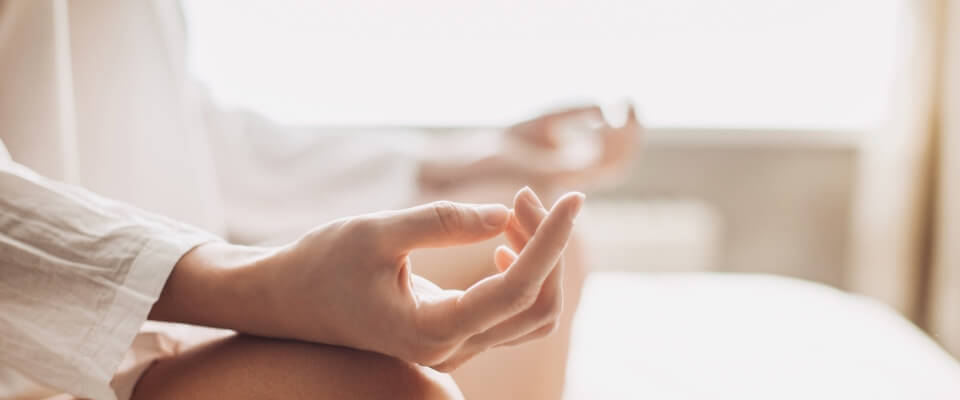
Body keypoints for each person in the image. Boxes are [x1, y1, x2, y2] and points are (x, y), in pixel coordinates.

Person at [0, 1, 640, 399]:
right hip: (31, 345)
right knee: (396, 396)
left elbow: (168, 122)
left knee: (519, 255)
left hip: (141, 302)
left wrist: (458, 162)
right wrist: (249, 285)